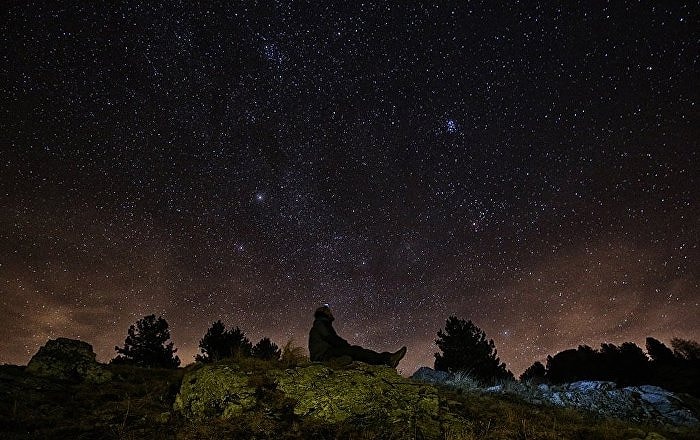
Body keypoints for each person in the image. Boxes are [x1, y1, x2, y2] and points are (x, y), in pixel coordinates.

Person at [308, 305, 407, 368]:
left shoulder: (321, 324)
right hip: (324, 355)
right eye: (328, 311)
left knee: (352, 352)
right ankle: (387, 359)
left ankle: (338, 361)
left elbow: (330, 339)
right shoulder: (320, 323)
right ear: (324, 313)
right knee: (356, 350)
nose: (331, 313)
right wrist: (345, 345)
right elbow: (330, 338)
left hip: (323, 354)